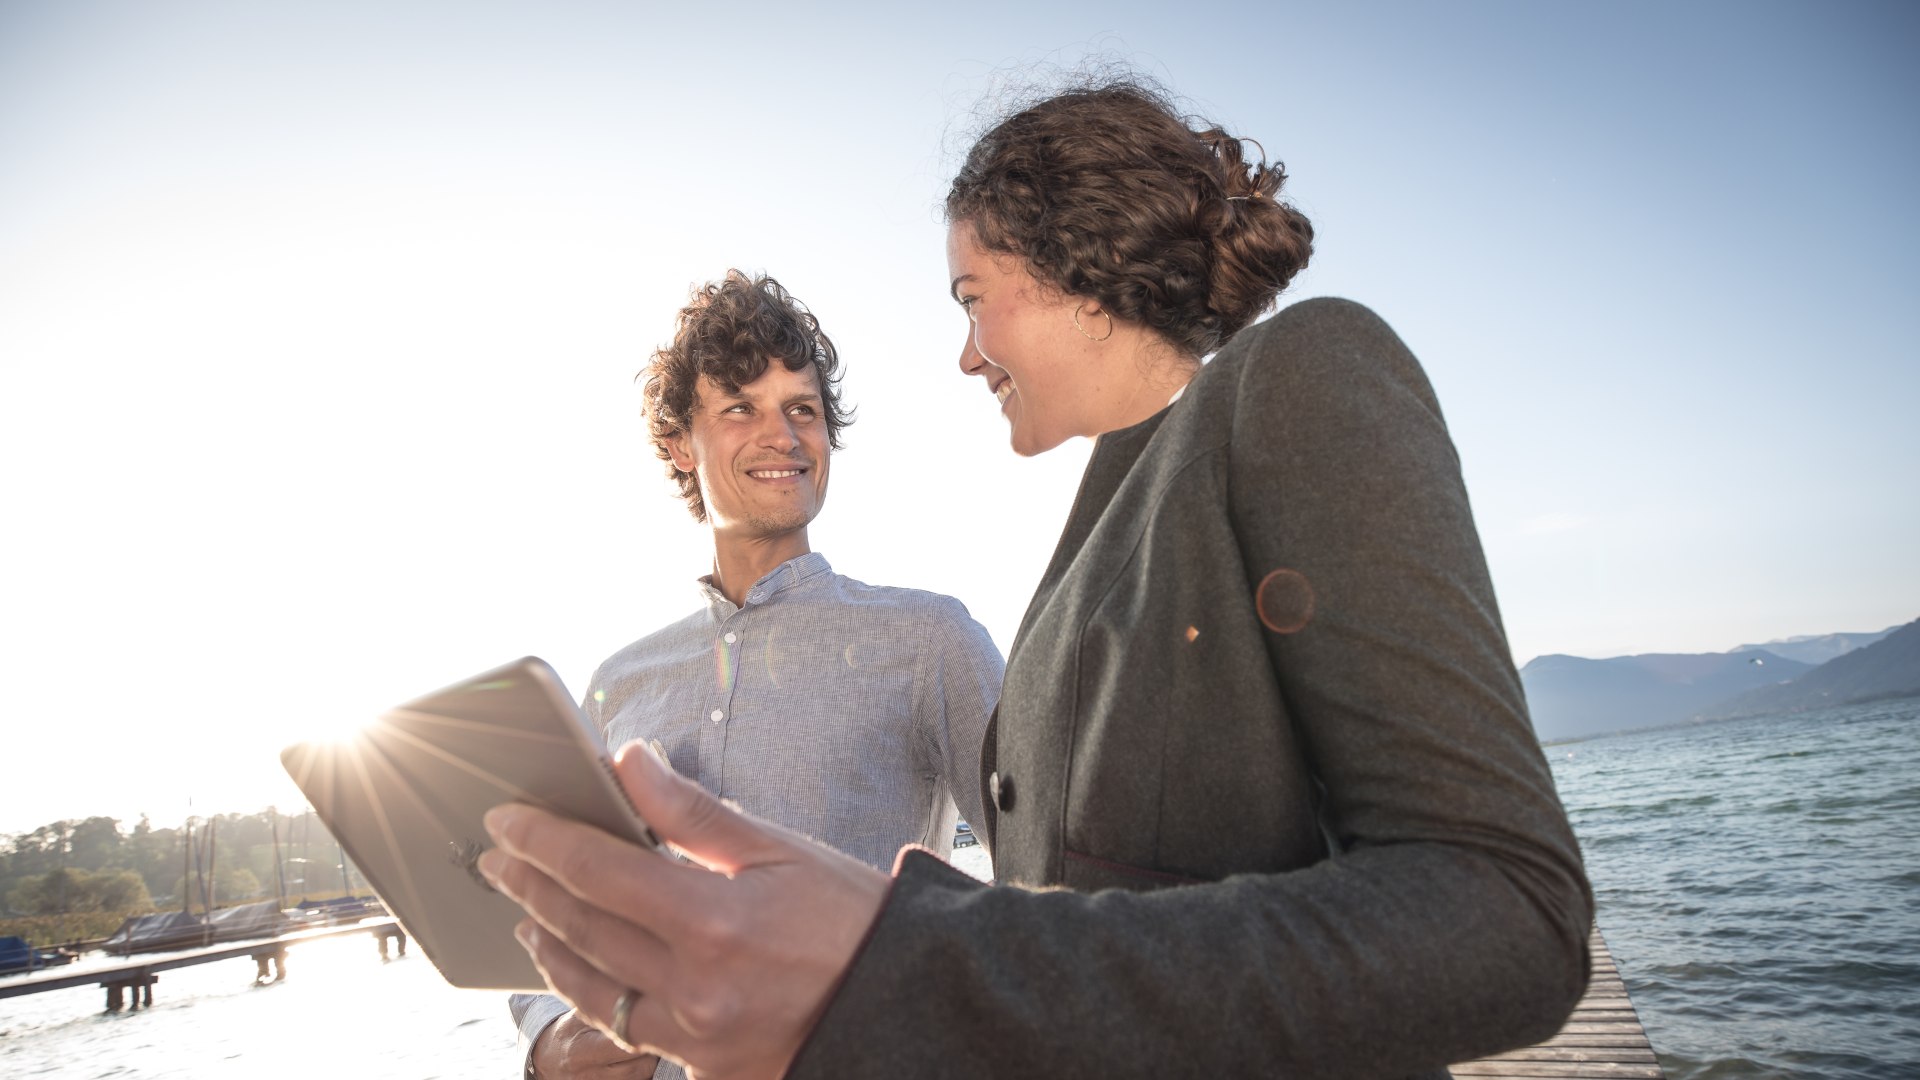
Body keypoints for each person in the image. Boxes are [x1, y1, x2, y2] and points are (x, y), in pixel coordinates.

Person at [480, 78, 1594, 1079]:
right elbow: (1055, 909)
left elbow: (1507, 912)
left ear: (1077, 269)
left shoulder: (1303, 371)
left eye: (972, 296)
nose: (965, 351)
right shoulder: (1102, 527)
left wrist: (898, 965)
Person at [505, 270, 1002, 1080]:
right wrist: (549, 1038)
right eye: (741, 407)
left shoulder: (928, 639)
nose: (783, 435)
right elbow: (552, 909)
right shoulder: (617, 681)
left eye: (801, 409)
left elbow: (1054, 885)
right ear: (678, 444)